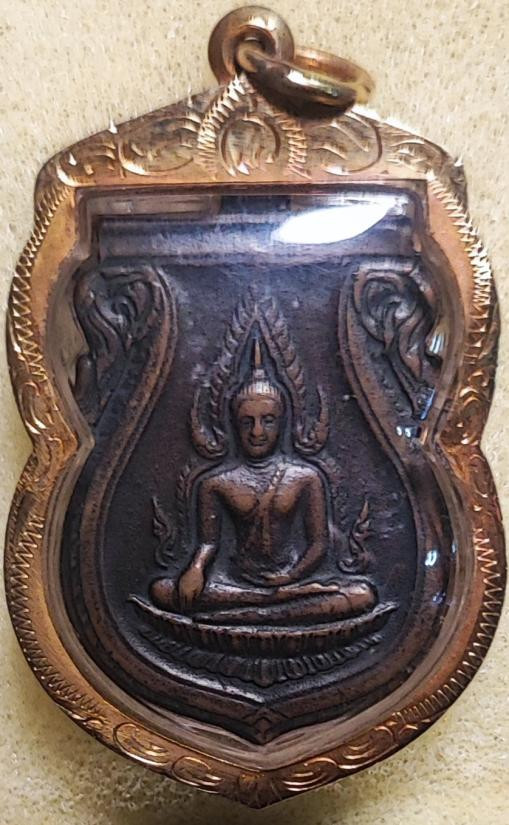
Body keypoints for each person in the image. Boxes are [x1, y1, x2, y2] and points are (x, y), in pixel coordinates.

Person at [151, 339, 376, 624]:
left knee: (362, 594)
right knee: (162, 590)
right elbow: (208, 543)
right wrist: (195, 568)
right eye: (247, 422)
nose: (257, 432)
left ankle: (248, 613)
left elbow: (318, 544)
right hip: (236, 582)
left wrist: (290, 577)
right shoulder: (216, 484)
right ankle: (270, 608)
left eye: (267, 421)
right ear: (234, 425)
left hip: (292, 579)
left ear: (282, 422)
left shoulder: (306, 478)